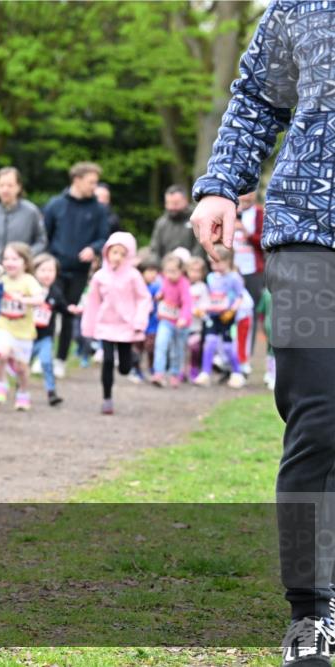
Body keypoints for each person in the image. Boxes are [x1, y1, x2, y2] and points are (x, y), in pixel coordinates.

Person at [190, 5, 335, 661]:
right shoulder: (299, 4)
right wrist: (222, 184)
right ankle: (311, 611)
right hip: (310, 230)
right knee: (320, 417)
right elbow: (256, 97)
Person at [43, 161, 110, 379]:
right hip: (55, 270)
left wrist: (94, 249)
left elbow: (104, 238)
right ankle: (42, 356)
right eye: (91, 182)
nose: (94, 186)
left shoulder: (99, 209)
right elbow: (45, 235)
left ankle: (60, 359)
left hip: (80, 271)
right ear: (77, 180)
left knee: (69, 313)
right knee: (48, 312)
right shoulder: (55, 205)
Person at [79, 231, 152, 415]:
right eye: (114, 252)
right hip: (106, 325)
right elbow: (93, 302)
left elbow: (144, 299)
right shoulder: (99, 277)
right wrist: (89, 326)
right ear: (106, 253)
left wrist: (139, 321)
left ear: (129, 256)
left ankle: (132, 360)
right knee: (108, 360)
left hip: (127, 325)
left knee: (124, 367)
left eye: (122, 253)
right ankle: (107, 398)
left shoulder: (133, 276)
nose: (117, 257)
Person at [0, 241, 44, 411]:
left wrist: (24, 300)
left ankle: (23, 392)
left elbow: (40, 299)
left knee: (22, 368)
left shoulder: (28, 281)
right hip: (4, 326)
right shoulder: (1, 280)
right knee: (1, 353)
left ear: (25, 262)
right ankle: (1, 382)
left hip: (24, 332)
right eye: (6, 258)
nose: (9, 262)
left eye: (14, 259)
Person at [192, 248, 245, 389]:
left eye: (218, 263)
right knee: (210, 342)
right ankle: (205, 373)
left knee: (228, 346)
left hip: (227, 317)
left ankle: (237, 373)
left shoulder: (234, 278)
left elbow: (240, 297)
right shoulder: (210, 278)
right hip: (212, 315)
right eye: (212, 263)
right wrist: (202, 308)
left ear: (227, 261)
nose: (215, 267)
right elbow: (208, 295)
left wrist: (232, 311)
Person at [0, 166, 48, 262]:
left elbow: (41, 240)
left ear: (19, 187)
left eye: (10, 185)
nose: (5, 190)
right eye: (1, 185)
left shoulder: (31, 211)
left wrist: (24, 257)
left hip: (22, 270)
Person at [30, 253, 67, 406]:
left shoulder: (55, 292)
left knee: (46, 362)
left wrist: (72, 309)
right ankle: (21, 387)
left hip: (46, 337)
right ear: (34, 271)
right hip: (28, 336)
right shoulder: (29, 288)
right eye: (43, 270)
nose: (47, 274)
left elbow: (64, 308)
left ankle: (51, 392)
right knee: (23, 364)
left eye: (51, 270)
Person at [150, 254, 193, 388]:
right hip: (166, 320)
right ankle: (159, 373)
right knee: (161, 344)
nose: (169, 275)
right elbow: (164, 291)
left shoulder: (184, 284)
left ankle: (175, 374)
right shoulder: (165, 281)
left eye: (173, 272)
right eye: (167, 271)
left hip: (181, 324)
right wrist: (160, 295)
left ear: (181, 271)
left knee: (177, 350)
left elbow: (187, 303)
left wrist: (183, 318)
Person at [233, 190, 265, 367]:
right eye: (243, 194)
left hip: (252, 270)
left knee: (250, 312)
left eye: (250, 195)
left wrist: (247, 233)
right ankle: (229, 357)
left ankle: (246, 357)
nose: (245, 198)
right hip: (232, 270)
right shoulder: (229, 210)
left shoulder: (259, 213)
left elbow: (264, 241)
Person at [150, 185, 202, 262]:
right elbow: (155, 249)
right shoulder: (161, 223)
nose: (171, 207)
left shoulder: (196, 218)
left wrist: (191, 266)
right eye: (168, 203)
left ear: (185, 201)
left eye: (175, 203)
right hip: (166, 269)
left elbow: (200, 247)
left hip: (193, 269)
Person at [185, 256, 210, 383]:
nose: (194, 274)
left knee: (195, 348)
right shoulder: (183, 285)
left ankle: (194, 369)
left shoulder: (202, 287)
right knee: (182, 350)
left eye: (197, 271)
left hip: (196, 326)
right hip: (183, 325)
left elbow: (206, 304)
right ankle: (180, 371)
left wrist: (200, 310)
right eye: (192, 270)